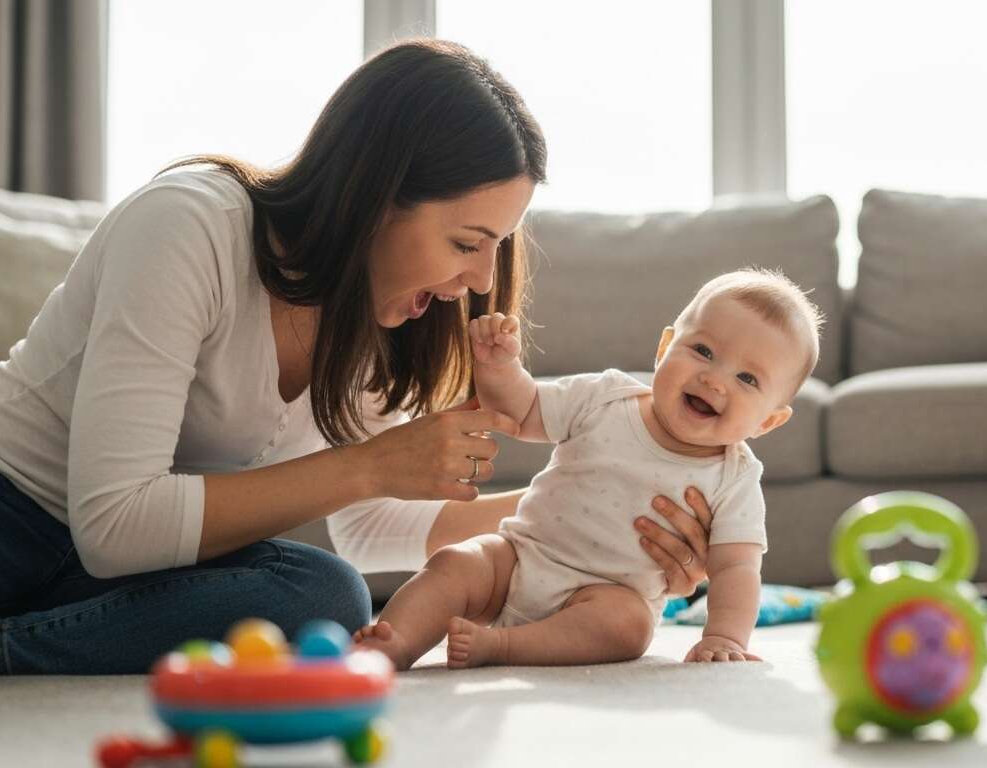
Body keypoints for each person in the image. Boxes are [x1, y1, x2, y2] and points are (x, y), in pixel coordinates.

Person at [0, 39, 712, 681]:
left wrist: (601, 513)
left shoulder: (390, 322)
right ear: (377, 194)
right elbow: (114, 523)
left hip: (115, 570)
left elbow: (373, 530)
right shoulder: (190, 224)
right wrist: (371, 463)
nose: (477, 284)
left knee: (324, 596)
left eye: (494, 250)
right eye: (466, 243)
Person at [353, 268, 824, 669]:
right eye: (703, 351)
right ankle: (393, 644)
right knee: (456, 562)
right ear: (664, 348)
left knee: (630, 626)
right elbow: (525, 408)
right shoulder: (605, 396)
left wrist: (725, 637)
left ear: (768, 421)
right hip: (517, 559)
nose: (713, 379)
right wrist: (500, 368)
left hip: (604, 596)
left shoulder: (734, 477)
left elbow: (737, 567)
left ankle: (502, 647)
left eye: (747, 379)